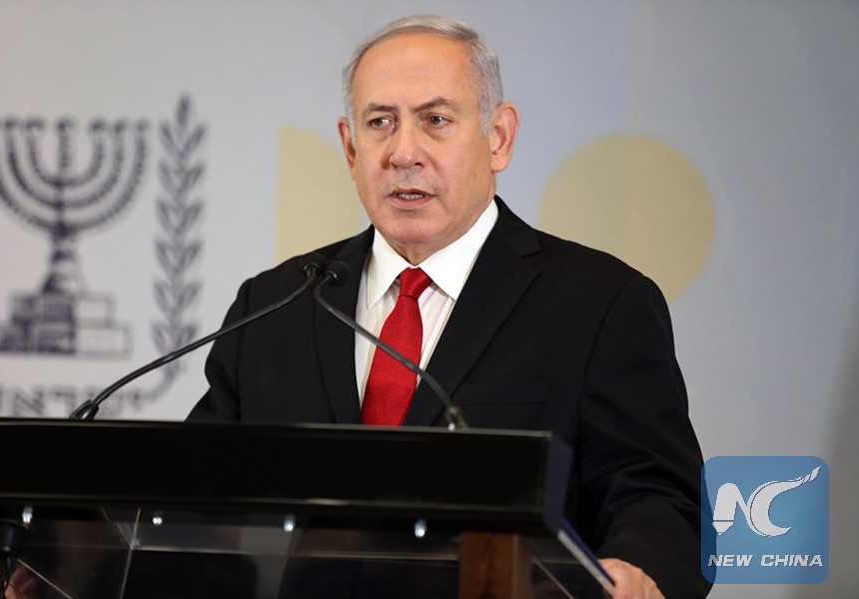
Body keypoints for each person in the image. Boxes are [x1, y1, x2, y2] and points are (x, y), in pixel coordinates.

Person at [190, 14, 710, 599]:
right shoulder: (276, 305)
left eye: (435, 120)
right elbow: (191, 505)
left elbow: (658, 498)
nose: (403, 152)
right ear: (350, 146)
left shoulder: (598, 303)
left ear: (499, 138)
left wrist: (637, 571)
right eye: (380, 122)